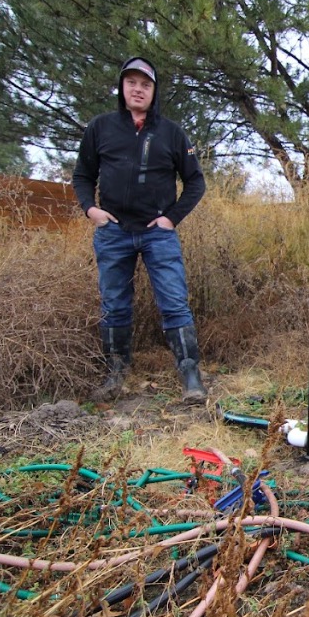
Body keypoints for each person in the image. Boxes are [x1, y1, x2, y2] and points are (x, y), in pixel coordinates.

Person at [73, 56, 208, 404]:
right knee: (114, 305)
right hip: (113, 232)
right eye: (131, 82)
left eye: (145, 84)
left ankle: (191, 376)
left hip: (157, 233)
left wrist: (170, 218)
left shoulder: (172, 133)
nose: (138, 89)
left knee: (175, 303)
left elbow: (195, 182)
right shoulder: (100, 128)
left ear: (153, 91)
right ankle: (116, 373)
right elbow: (82, 176)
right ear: (122, 87)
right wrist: (91, 210)